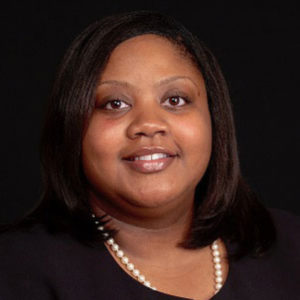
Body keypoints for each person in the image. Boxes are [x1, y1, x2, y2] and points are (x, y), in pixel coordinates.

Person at [0, 10, 299, 300]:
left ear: (214, 118)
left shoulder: (290, 245)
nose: (149, 124)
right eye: (115, 103)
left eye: (175, 99)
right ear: (71, 127)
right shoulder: (16, 270)